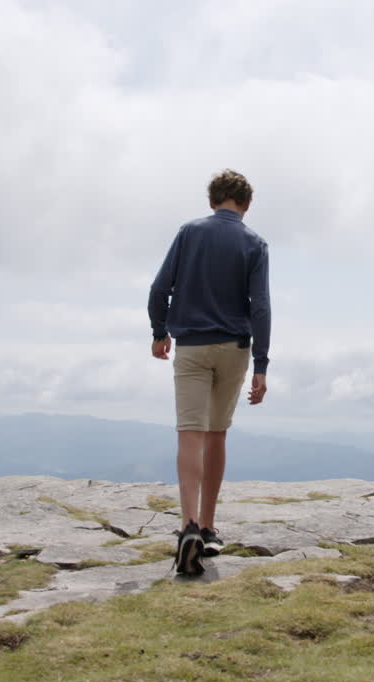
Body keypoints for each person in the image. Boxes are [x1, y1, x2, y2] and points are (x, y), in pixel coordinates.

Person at [147, 169, 271, 576]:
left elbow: (159, 288)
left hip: (192, 348)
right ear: (246, 205)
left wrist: (159, 331)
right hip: (234, 349)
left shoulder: (189, 232)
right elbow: (260, 308)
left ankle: (188, 527)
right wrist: (261, 365)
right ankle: (210, 527)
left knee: (190, 433)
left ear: (212, 199)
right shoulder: (255, 243)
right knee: (217, 434)